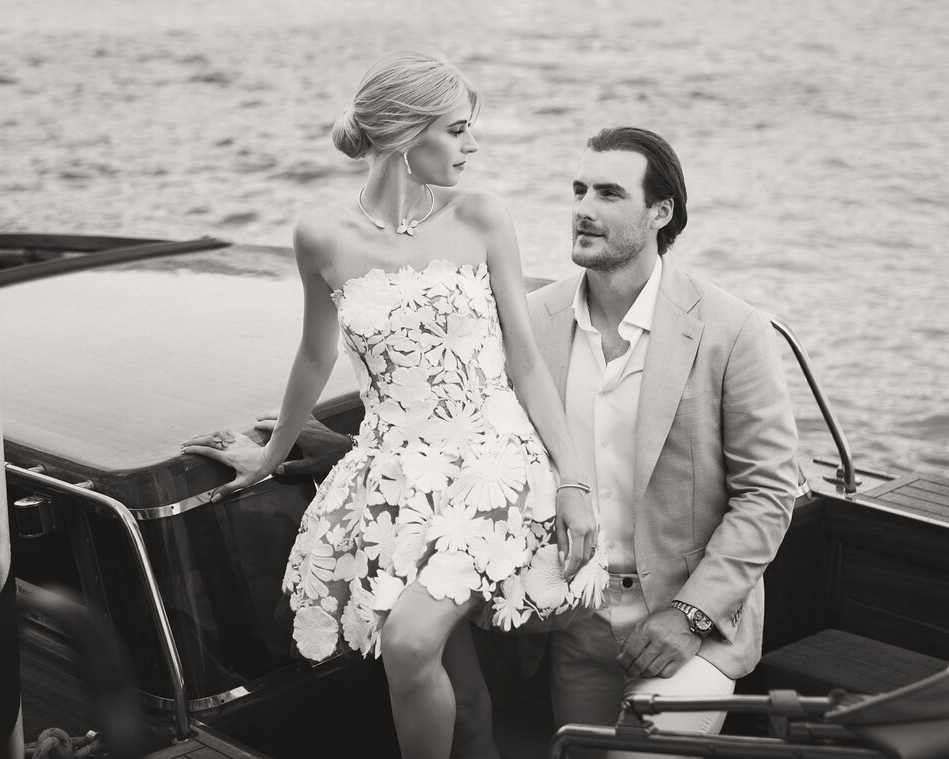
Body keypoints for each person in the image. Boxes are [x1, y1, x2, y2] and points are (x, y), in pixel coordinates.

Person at [242, 126, 800, 756]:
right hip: (574, 620)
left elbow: (769, 495)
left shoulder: (735, 331)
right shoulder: (530, 322)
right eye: (579, 189)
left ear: (661, 212)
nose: (584, 208)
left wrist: (691, 614)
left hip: (686, 625)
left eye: (610, 194)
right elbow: (467, 431)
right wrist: (341, 451)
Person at [181, 50, 608, 759]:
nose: (473, 146)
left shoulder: (482, 216)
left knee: (409, 642)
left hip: (493, 467)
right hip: (395, 478)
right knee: (465, 703)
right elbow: (315, 356)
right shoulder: (321, 234)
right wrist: (269, 456)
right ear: (409, 135)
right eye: (459, 130)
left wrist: (573, 480)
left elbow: (527, 362)